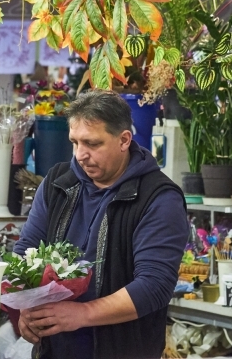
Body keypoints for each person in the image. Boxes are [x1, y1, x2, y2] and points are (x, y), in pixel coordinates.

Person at [13, 90, 188, 359]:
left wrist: (83, 313)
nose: (81, 155)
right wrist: (25, 310)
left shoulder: (159, 197)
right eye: (75, 142)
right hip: (54, 350)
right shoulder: (58, 183)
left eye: (92, 144)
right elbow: (25, 253)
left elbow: (155, 285)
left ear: (124, 140)